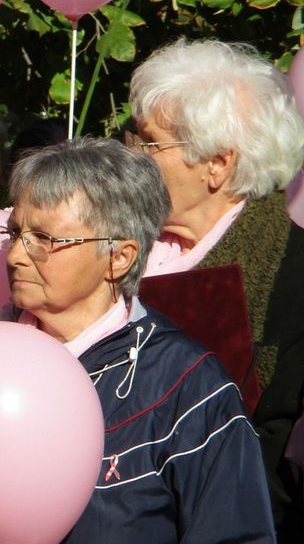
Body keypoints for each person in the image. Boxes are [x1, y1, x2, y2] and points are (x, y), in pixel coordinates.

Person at [0, 137, 274, 542]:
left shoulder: (188, 388)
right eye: (14, 232)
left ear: (119, 257)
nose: (14, 256)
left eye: (45, 239)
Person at [128, 39, 304, 534]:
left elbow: (278, 454)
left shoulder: (293, 275)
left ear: (217, 164)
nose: (132, 156)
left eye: (150, 142)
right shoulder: (117, 245)